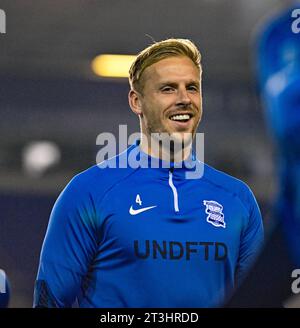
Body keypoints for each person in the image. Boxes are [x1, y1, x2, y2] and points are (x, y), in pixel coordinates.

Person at [33, 38, 264, 308]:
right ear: (136, 101)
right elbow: (50, 302)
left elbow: (258, 299)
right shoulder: (88, 192)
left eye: (192, 87)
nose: (184, 99)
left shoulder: (238, 199)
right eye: (168, 89)